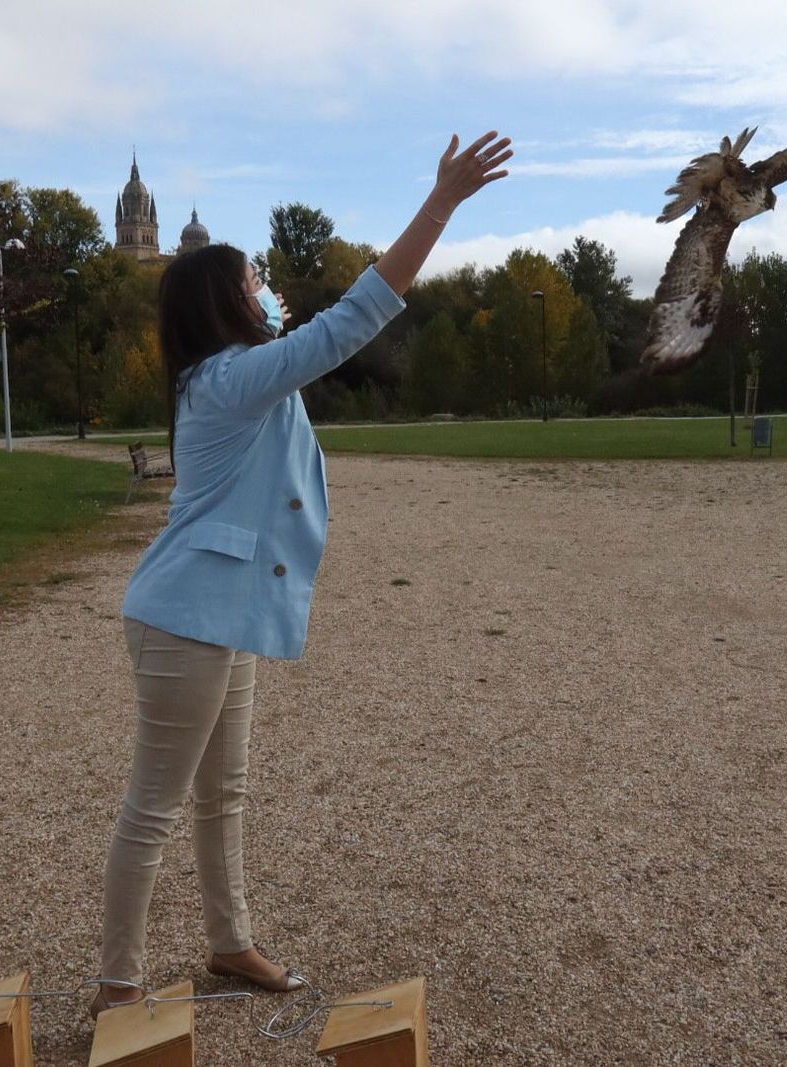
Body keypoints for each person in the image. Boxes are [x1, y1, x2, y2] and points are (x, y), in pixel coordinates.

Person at [91, 132, 512, 1017]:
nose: (262, 292)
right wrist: (440, 204)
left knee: (222, 793)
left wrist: (264, 296)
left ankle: (227, 942)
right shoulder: (233, 378)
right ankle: (117, 987)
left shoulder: (232, 376)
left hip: (217, 612)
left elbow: (305, 331)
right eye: (249, 283)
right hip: (186, 619)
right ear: (222, 304)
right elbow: (351, 320)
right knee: (154, 807)